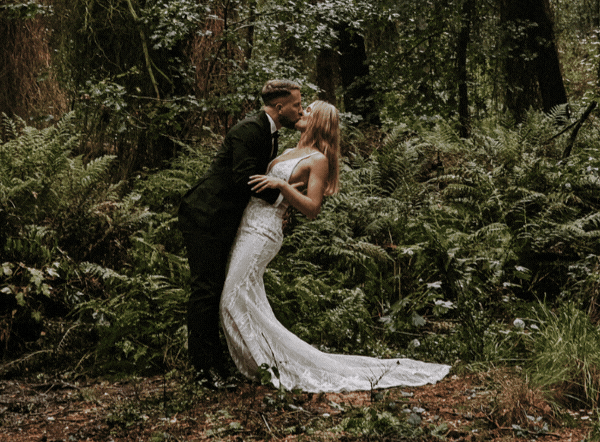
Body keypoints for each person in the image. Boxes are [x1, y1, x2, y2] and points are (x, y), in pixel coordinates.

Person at [220, 100, 450, 392]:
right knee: (247, 296)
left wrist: (283, 187)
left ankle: (266, 364)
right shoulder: (288, 151)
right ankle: (265, 361)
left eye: (308, 110)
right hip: (247, 224)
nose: (301, 112)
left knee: (231, 297)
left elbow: (312, 208)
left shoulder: (318, 159)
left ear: (318, 120)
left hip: (264, 231)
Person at [179, 79, 304, 387]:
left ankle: (218, 362)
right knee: (206, 289)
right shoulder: (249, 130)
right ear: (279, 107)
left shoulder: (269, 132)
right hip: (205, 214)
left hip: (224, 219)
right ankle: (205, 369)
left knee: (216, 288)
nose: (300, 111)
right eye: (296, 105)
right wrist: (283, 199)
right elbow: (245, 179)